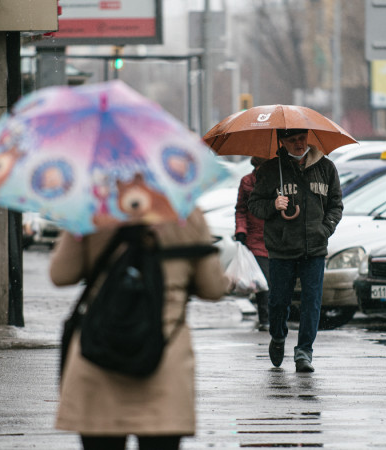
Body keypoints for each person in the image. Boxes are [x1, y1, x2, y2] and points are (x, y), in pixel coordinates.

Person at [49, 210, 227, 450]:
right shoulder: (186, 214)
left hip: (99, 355)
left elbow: (61, 275)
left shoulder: (93, 211)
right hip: (165, 358)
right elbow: (212, 288)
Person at [248, 129, 343, 373]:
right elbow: (254, 205)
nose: (299, 144)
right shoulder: (271, 170)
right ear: (282, 142)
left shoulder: (326, 168)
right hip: (282, 248)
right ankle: (278, 336)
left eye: (302, 139)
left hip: (315, 247)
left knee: (312, 302)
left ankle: (304, 352)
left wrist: (325, 229)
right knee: (279, 302)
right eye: (293, 140)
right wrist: (273, 205)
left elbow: (336, 204)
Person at [235, 156, 270, 331]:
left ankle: (277, 317)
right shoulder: (247, 181)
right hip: (255, 239)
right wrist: (241, 231)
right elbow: (241, 209)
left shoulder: (279, 179)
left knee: (277, 281)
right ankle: (265, 319)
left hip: (277, 237)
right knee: (262, 281)